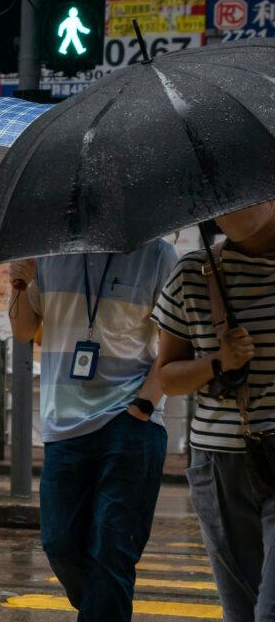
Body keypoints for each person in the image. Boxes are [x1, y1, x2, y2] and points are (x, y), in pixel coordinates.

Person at [9, 240, 177, 621]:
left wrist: (144, 406)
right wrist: (19, 285)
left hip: (130, 422)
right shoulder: (49, 251)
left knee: (113, 549)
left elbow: (174, 342)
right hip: (63, 426)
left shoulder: (157, 255)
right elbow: (23, 330)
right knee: (59, 544)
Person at [153, 201, 275, 622]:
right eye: (221, 202)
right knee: (241, 608)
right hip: (221, 461)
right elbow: (168, 377)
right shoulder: (192, 274)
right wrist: (218, 362)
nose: (232, 209)